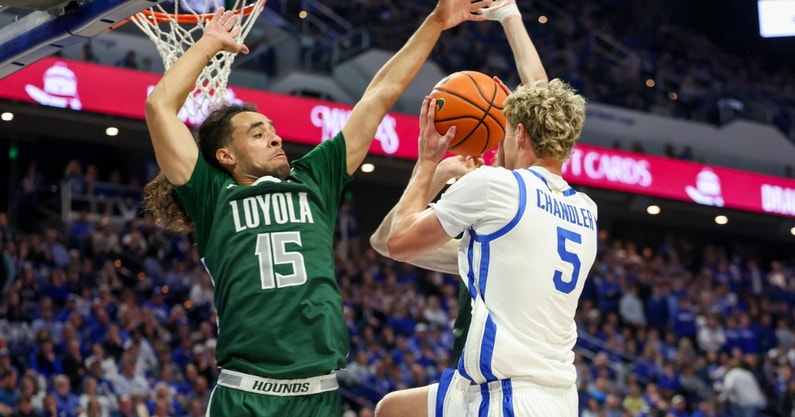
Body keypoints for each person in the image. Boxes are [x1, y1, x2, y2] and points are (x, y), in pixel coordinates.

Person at [139, 2, 492, 416]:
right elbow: (159, 106)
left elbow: (378, 94)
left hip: (320, 395)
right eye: (257, 133)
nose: (275, 139)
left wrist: (436, 22)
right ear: (226, 156)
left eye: (272, 130)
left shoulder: (315, 179)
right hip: (247, 395)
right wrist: (209, 44)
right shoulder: (211, 195)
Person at [372, 1, 596, 416]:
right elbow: (544, 103)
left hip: (507, 393)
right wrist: (510, 17)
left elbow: (395, 242)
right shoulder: (583, 209)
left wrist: (428, 165)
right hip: (544, 389)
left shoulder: (494, 189)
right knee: (392, 410)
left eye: (507, 129)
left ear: (522, 135)